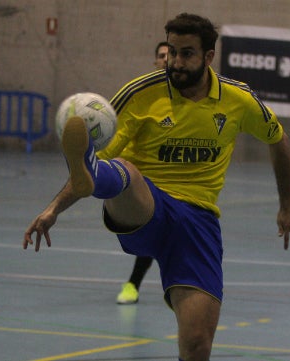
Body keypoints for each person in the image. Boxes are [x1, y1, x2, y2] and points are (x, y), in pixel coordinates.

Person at [24, 13, 290, 361]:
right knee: (124, 170)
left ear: (208, 57)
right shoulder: (140, 93)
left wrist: (288, 204)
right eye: (171, 52)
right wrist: (54, 209)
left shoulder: (237, 99)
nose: (175, 62)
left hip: (198, 222)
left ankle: (96, 174)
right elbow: (94, 169)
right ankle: (94, 172)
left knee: (198, 343)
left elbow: (279, 139)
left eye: (186, 53)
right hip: (146, 206)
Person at [115, 40, 170, 305]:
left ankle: (133, 284)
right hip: (140, 177)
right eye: (161, 55)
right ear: (155, 62)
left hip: (173, 179)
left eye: (171, 54)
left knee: (163, 233)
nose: (167, 59)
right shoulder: (141, 96)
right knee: (149, 232)